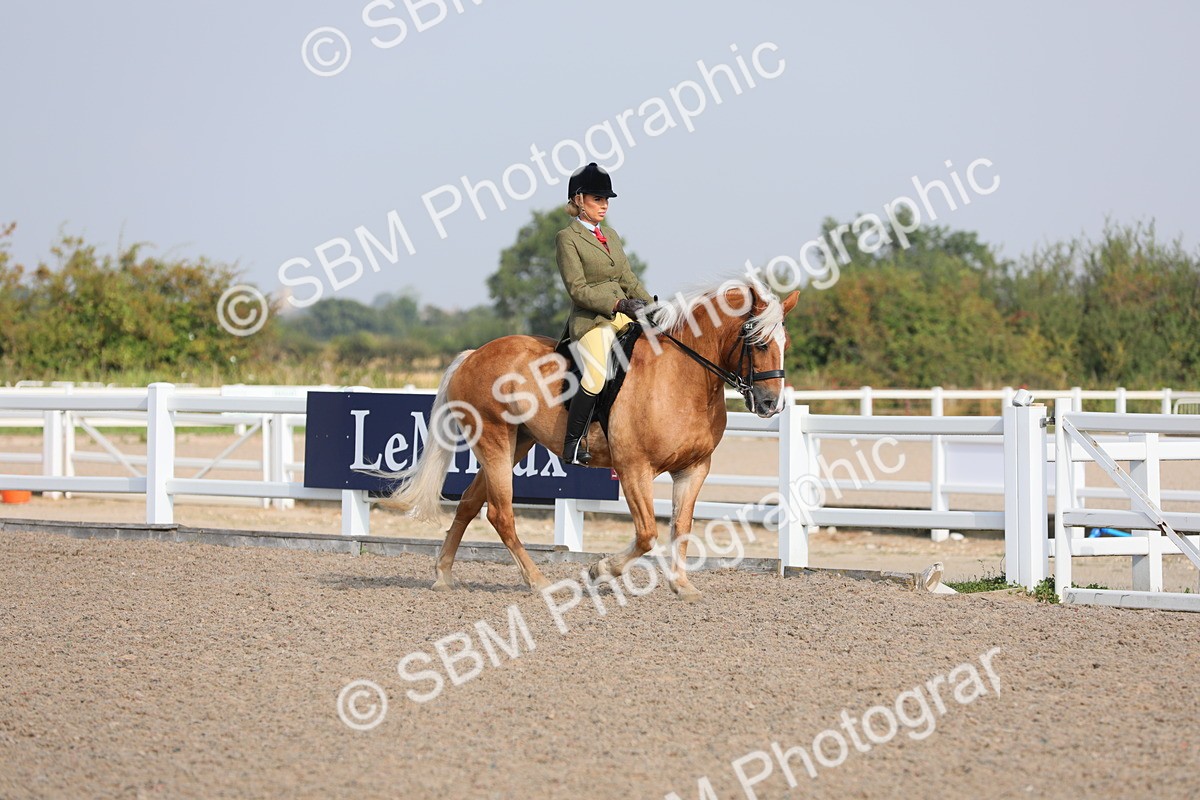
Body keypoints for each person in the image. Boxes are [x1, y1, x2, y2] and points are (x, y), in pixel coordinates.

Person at [556, 162, 654, 466]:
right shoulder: (567, 238)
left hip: (624, 315)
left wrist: (651, 305)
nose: (604, 205)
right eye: (597, 199)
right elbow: (577, 289)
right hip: (592, 320)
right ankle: (573, 443)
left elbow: (628, 279)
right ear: (578, 200)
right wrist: (617, 305)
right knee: (597, 376)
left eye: (606, 200)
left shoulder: (610, 236)